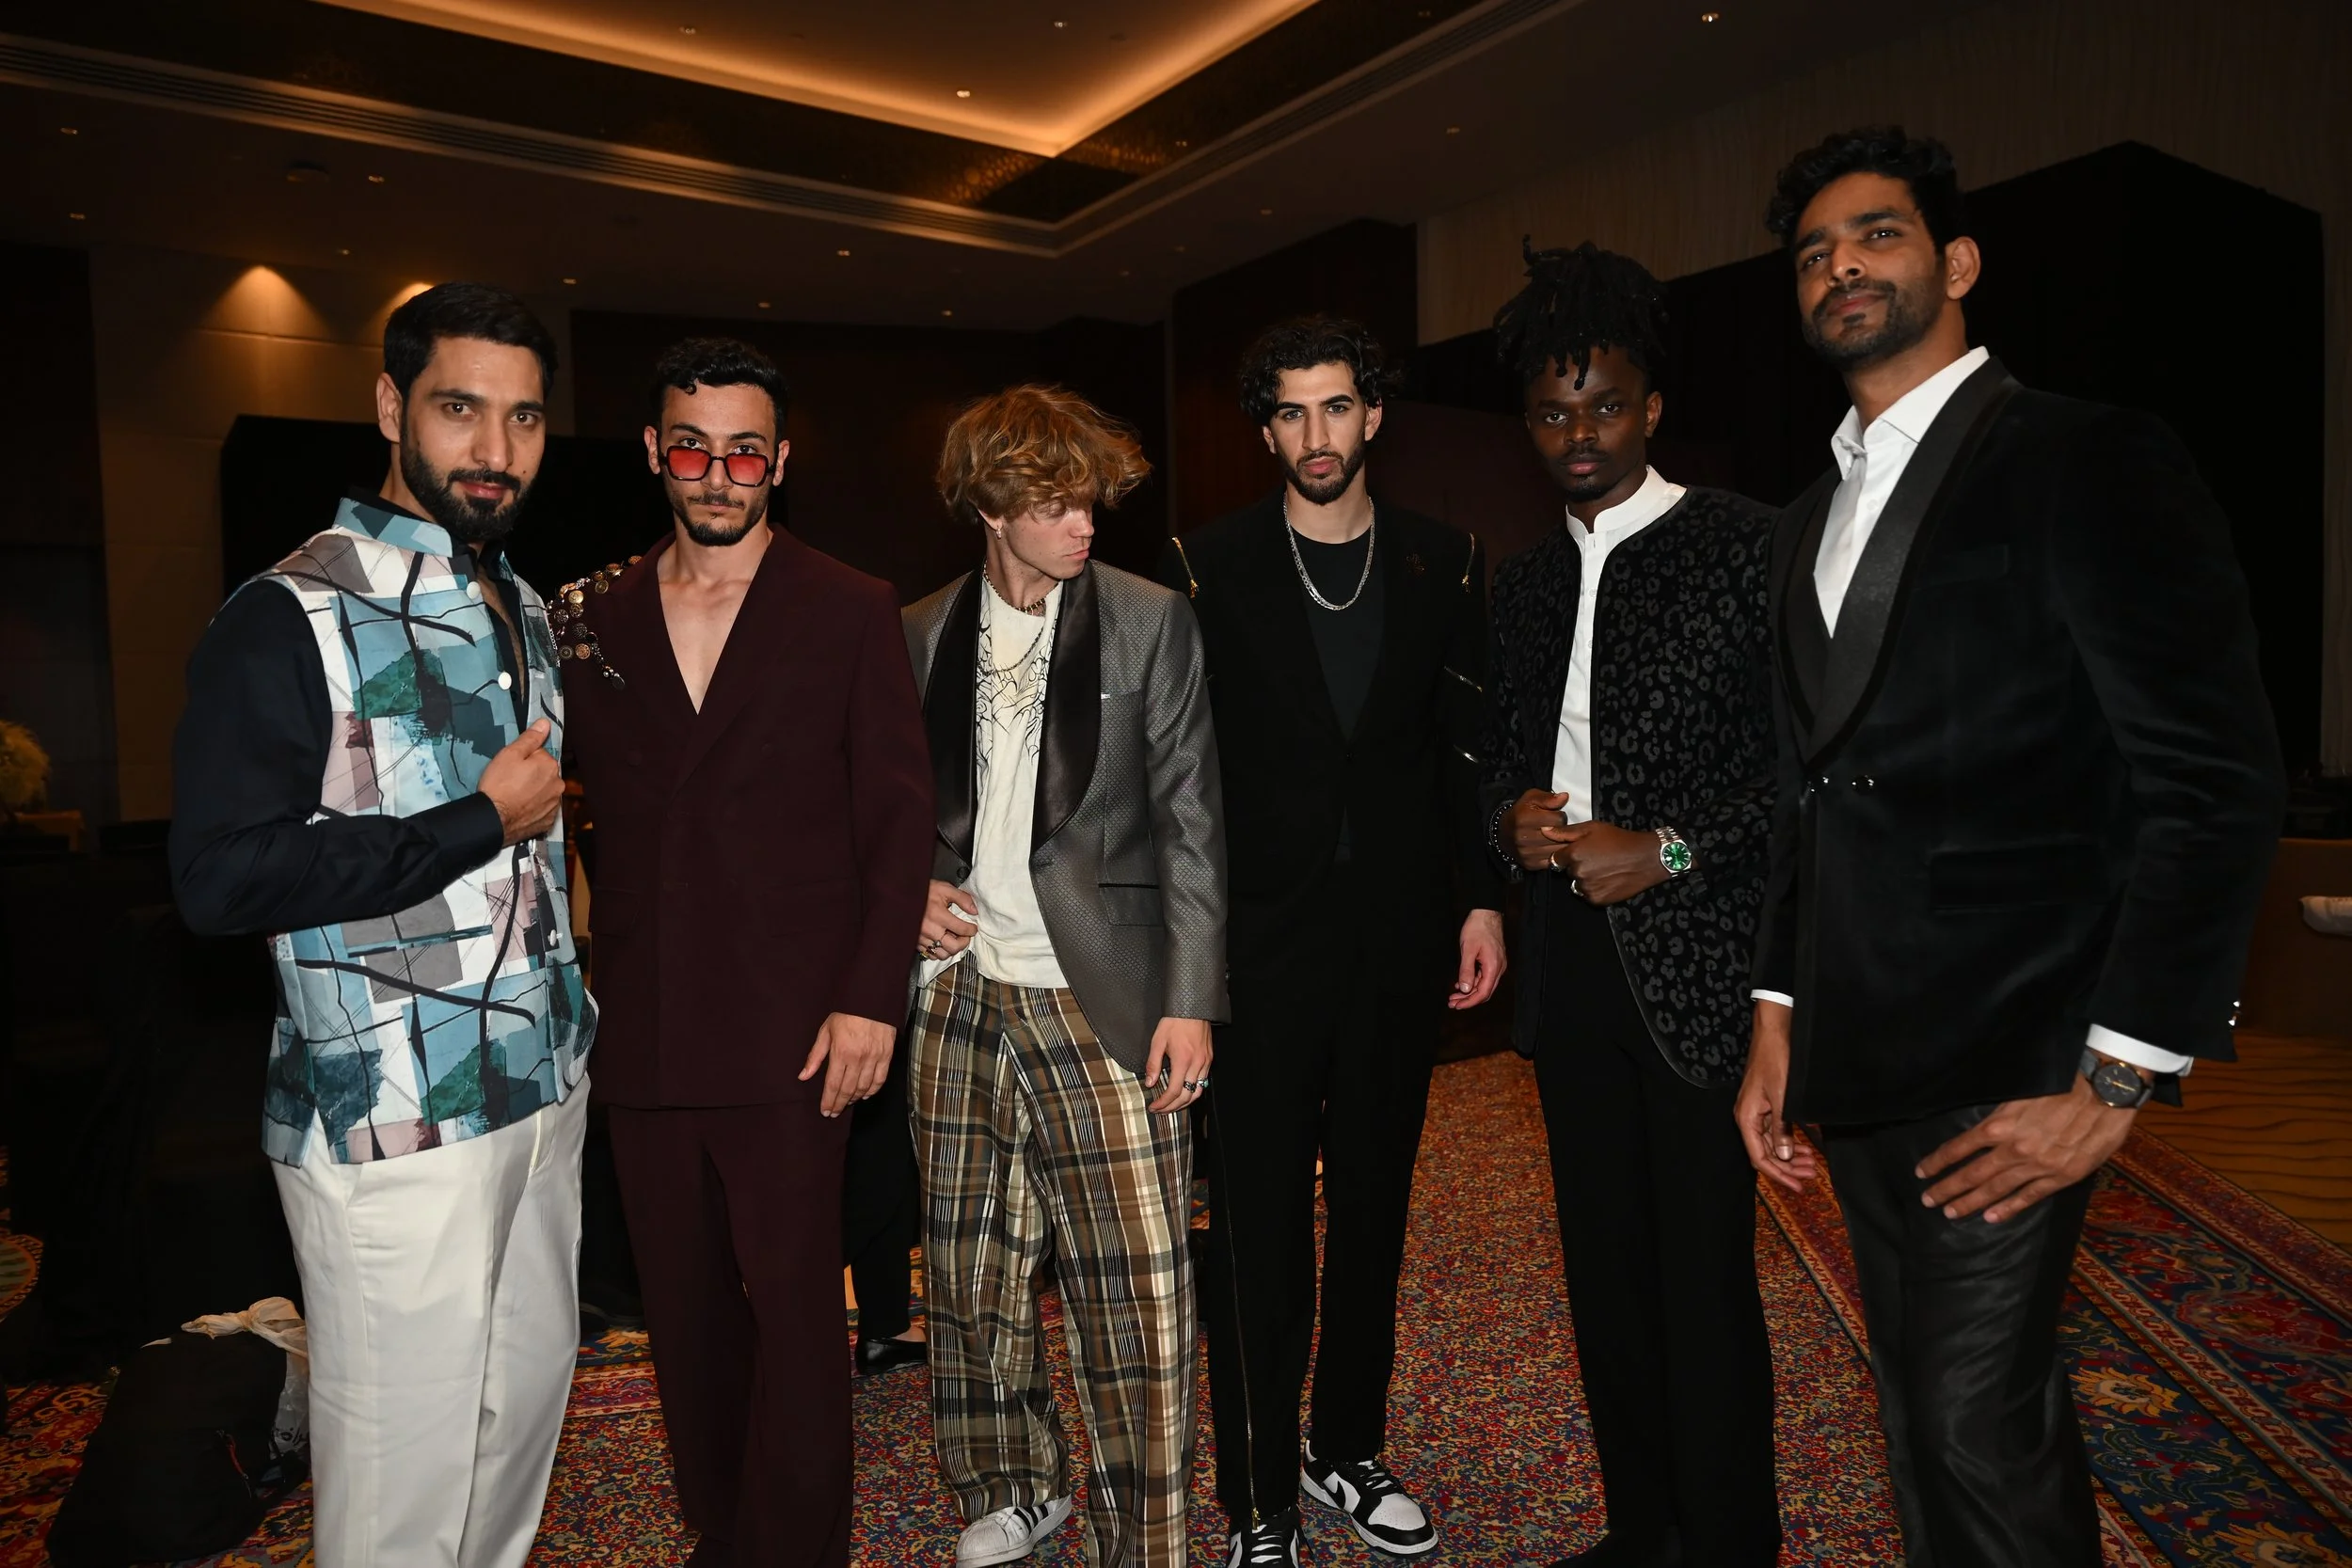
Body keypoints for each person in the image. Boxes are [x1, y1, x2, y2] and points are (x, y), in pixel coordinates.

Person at [1734, 128, 2288, 1567]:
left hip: (2024, 1048)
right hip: (1860, 1046)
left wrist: (2116, 1075)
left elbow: (2214, 782)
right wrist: (1777, 1012)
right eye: (1813, 252)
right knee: (1923, 1404)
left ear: (1957, 263)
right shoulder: (1803, 523)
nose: (1841, 263)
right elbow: (1818, 790)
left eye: (1878, 235)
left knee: (1977, 1411)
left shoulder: (2089, 456)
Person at [170, 282, 593, 1568]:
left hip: (544, 1086)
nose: (495, 448)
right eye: (460, 408)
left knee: (516, 1424)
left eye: (523, 418)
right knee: (402, 1483)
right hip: (390, 1118)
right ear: (389, 406)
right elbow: (222, 877)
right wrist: (476, 819)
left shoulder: (520, 601)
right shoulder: (286, 610)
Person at [559, 337, 934, 1568]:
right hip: (649, 1027)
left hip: (798, 1030)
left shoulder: (847, 603)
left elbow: (896, 820)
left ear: (781, 460)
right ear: (653, 454)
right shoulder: (592, 615)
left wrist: (870, 998)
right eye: (690, 447)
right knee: (685, 1319)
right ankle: (724, 1534)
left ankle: (798, 1548)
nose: (716, 473)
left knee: (792, 1322)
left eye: (743, 450)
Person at [1154, 317, 1502, 1568]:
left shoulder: (1444, 559)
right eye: (1292, 413)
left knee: (1371, 1203)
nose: (1317, 435)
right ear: (1266, 430)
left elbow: (1464, 747)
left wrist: (1482, 897)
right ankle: (1256, 1495)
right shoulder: (1205, 564)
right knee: (1253, 1224)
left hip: (1401, 936)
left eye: (1338, 407)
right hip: (1254, 943)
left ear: (1374, 418)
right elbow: (1172, 769)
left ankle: (1342, 1446)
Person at [1478, 243, 1783, 1568]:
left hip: (1701, 965)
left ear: (1650, 406)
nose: (1578, 435)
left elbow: (1795, 780)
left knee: (1703, 1278)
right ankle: (1641, 1528)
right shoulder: (1528, 580)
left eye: (1602, 404)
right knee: (1603, 1268)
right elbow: (1495, 753)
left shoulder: (1745, 547)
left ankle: (1728, 1541)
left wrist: (1659, 850)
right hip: (1571, 967)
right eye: (1552, 413)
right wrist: (1513, 821)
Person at [903, 385, 1226, 1568]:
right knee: (970, 1267)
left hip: (1104, 995)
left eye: (1089, 496)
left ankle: (1146, 1540)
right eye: (1051, 502)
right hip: (958, 994)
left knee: (1136, 1294)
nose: (1082, 521)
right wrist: (901, 890)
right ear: (989, 507)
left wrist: (1189, 999)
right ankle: (1010, 1481)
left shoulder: (1149, 621)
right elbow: (882, 810)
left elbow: (1193, 822)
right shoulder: (919, 627)